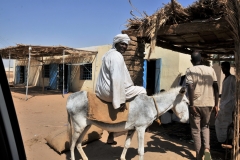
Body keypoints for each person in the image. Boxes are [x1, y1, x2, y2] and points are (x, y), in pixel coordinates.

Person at [95, 33, 146, 144]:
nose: (124, 47)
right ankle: (139, 121)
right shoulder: (117, 56)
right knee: (142, 90)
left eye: (126, 45)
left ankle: (111, 136)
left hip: (102, 91)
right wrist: (121, 100)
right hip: (110, 91)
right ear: (116, 44)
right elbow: (117, 79)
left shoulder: (107, 54)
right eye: (122, 44)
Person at [185, 51, 219, 160]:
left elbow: (190, 87)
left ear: (191, 61)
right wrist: (216, 104)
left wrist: (191, 105)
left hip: (196, 103)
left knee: (195, 130)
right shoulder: (211, 70)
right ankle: (207, 149)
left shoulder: (190, 70)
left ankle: (199, 156)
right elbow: (216, 87)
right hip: (209, 103)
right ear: (201, 59)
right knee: (206, 126)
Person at [215, 62, 235, 144]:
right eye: (222, 68)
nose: (223, 70)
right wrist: (220, 95)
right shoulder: (226, 78)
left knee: (227, 124)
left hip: (229, 105)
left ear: (228, 68)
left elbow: (234, 92)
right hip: (223, 104)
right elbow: (226, 92)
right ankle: (222, 139)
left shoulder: (232, 79)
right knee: (219, 123)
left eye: (224, 68)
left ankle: (228, 139)